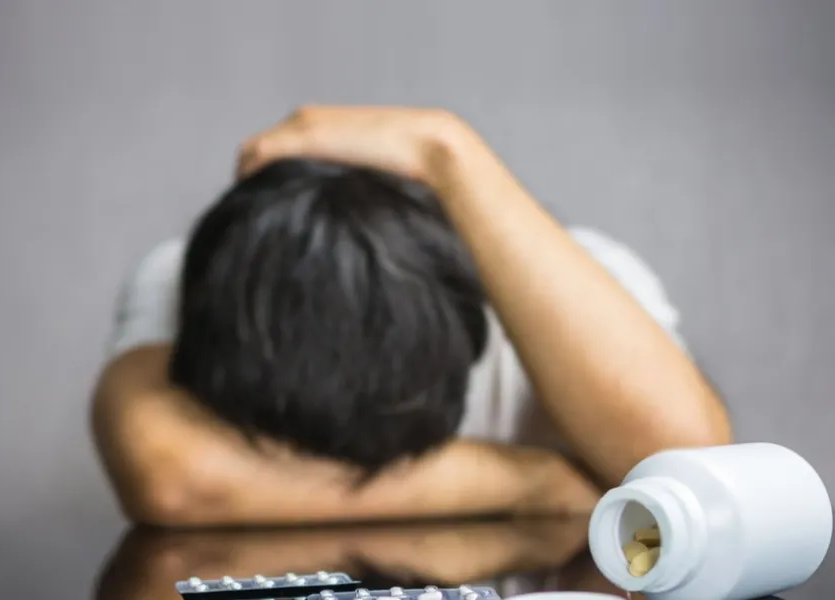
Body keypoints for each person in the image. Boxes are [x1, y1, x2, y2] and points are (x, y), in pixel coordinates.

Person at [90, 106, 731, 527]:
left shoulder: (585, 276)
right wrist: (532, 482)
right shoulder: (191, 274)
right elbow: (169, 476)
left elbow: (694, 471)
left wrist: (450, 153)